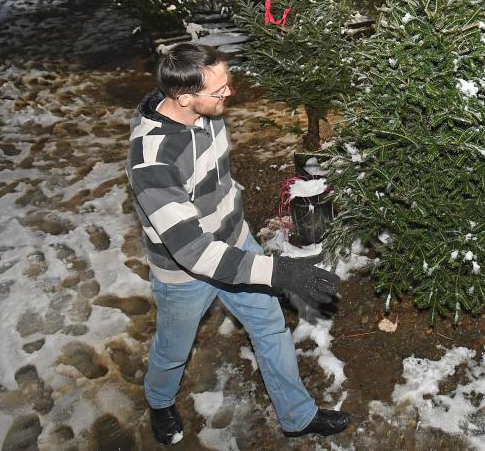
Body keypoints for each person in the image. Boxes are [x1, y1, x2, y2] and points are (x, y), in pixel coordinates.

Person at [126, 43, 351, 444]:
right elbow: (192, 251)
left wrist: (239, 225)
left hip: (235, 243)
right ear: (183, 97)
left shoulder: (204, 110)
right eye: (219, 90)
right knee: (173, 351)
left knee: (270, 329)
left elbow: (216, 177)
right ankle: (160, 402)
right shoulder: (152, 162)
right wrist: (278, 270)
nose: (228, 94)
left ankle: (296, 417)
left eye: (227, 83)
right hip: (183, 274)